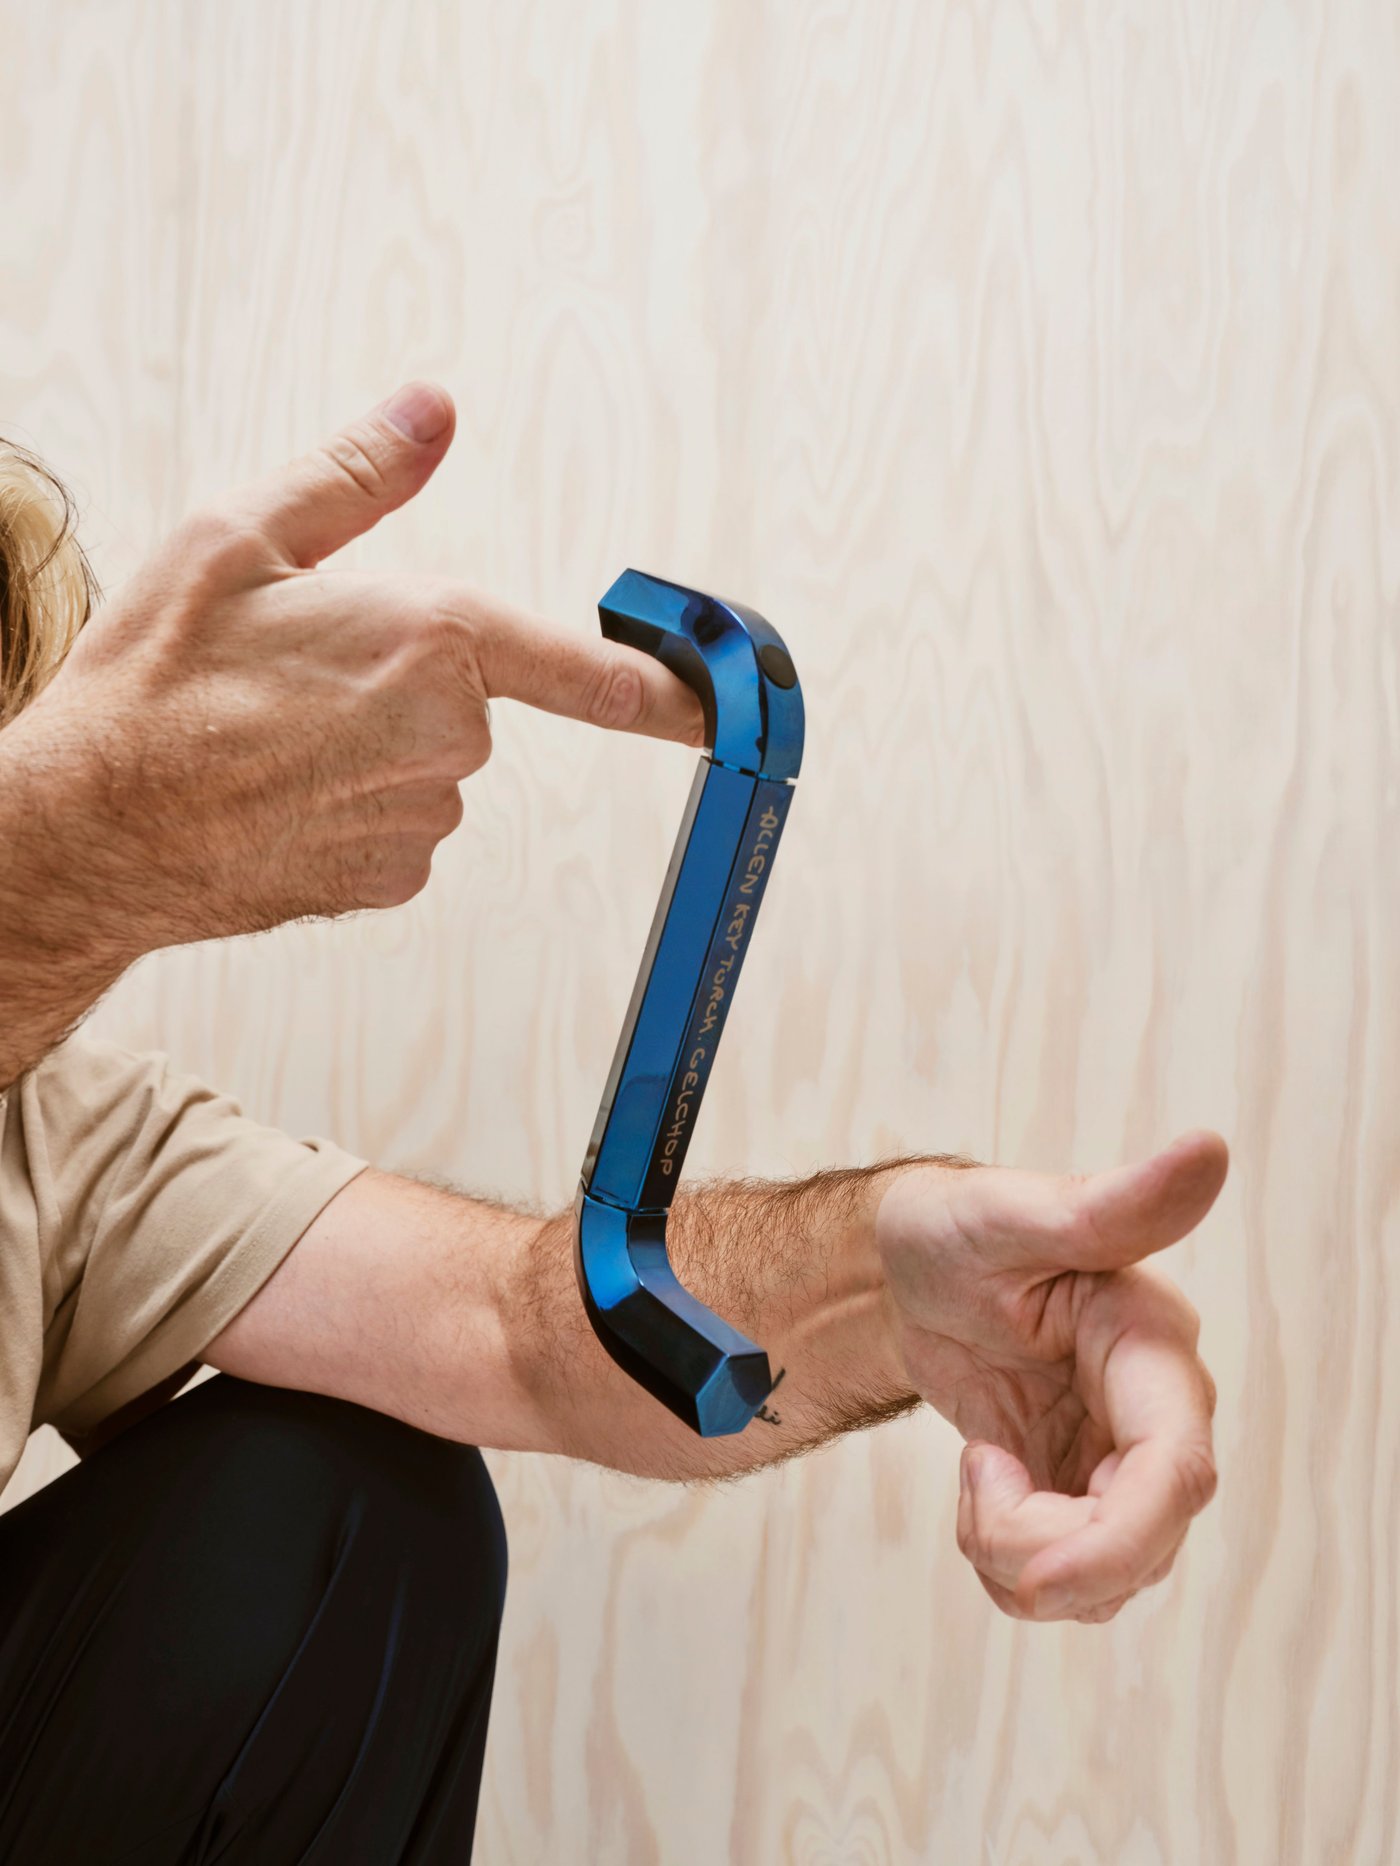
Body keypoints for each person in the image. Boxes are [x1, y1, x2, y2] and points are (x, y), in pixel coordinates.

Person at [0, 383, 1226, 1864]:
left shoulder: (53, 1132)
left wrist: (897, 1290)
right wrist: (86, 833)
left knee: (350, 1508)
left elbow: (523, 1329)